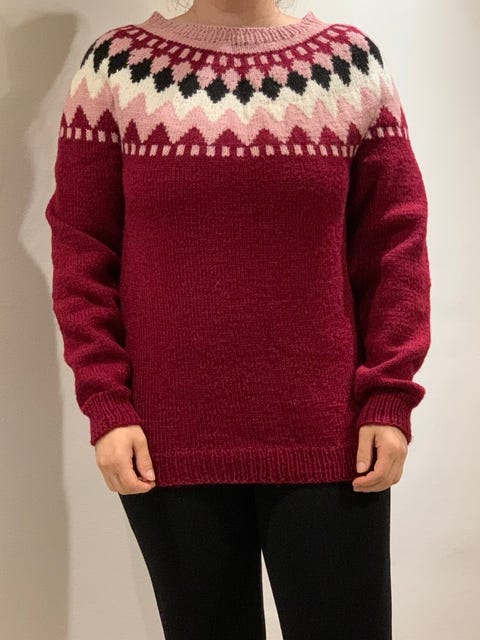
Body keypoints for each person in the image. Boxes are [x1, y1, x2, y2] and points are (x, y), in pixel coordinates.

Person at [44, 0, 431, 637]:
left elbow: (395, 242)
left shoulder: (348, 64)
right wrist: (107, 403)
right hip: (166, 436)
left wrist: (389, 395)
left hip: (329, 428)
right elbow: (83, 248)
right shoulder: (117, 67)